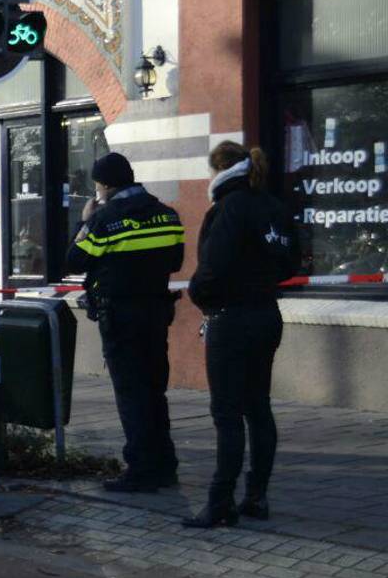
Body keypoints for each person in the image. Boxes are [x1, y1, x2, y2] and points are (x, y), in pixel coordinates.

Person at [183, 142, 297, 528]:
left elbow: (212, 267)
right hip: (266, 315)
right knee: (258, 407)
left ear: (220, 170)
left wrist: (200, 294)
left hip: (230, 318)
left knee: (227, 413)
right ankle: (256, 496)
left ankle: (220, 503)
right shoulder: (273, 207)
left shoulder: (227, 209)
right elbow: (290, 263)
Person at [66, 152, 184, 493]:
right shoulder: (167, 215)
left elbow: (74, 260)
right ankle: (164, 465)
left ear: (104, 185)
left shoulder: (105, 220)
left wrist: (84, 222)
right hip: (156, 313)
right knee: (154, 390)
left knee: (131, 394)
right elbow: (175, 261)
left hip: (120, 316)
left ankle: (141, 470)